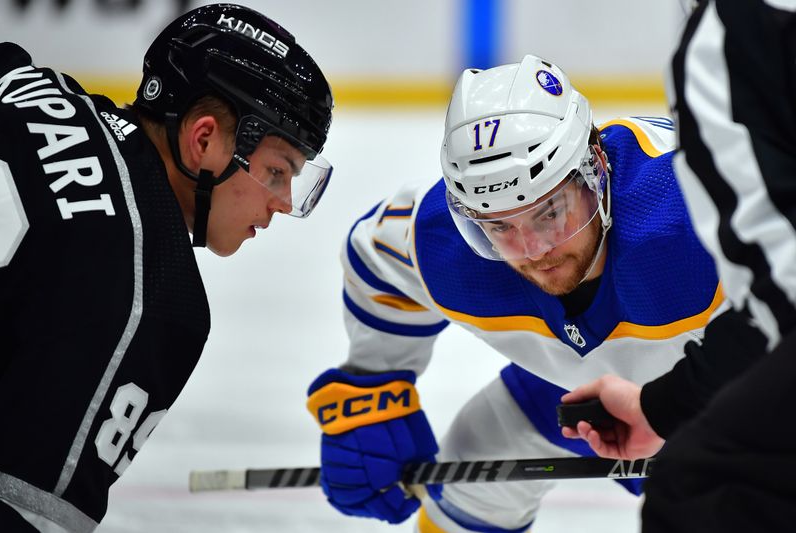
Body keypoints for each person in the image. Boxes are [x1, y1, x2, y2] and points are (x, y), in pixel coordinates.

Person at [305, 54, 725, 533]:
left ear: (597, 169)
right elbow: (377, 256)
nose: (532, 252)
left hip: (733, 388)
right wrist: (374, 384)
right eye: (498, 226)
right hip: (575, 394)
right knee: (469, 482)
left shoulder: (696, 206)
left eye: (549, 212)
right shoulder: (442, 242)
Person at [0, 4, 333, 531]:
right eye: (275, 171)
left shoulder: (28, 81)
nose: (284, 202)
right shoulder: (149, 299)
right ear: (203, 141)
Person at [562, 0, 796, 531]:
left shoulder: (731, 31)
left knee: (700, 489)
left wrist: (674, 406)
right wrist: (663, 405)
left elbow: (786, 296)